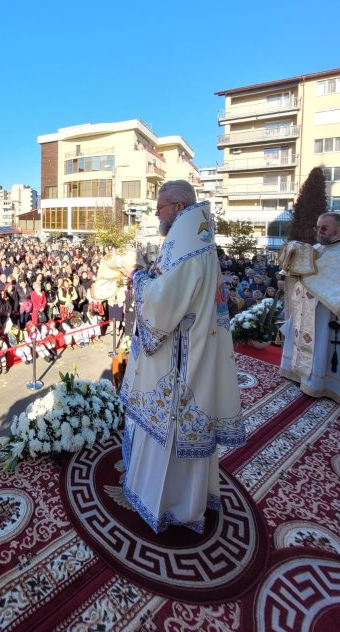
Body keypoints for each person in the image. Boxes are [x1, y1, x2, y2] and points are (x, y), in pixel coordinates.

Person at [119, 180, 245, 534]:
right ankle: (187, 499)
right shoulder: (197, 240)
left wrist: (139, 278)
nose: (157, 215)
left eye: (159, 208)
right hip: (197, 351)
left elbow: (162, 305)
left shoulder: (186, 246)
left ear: (176, 207)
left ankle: (168, 504)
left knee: (170, 434)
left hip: (177, 363)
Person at [279, 212, 340, 403]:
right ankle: (297, 373)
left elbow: (327, 279)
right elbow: (299, 272)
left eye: (324, 228)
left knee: (321, 343)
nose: (319, 232)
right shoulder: (316, 248)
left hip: (325, 312)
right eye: (318, 227)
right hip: (305, 307)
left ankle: (319, 383)